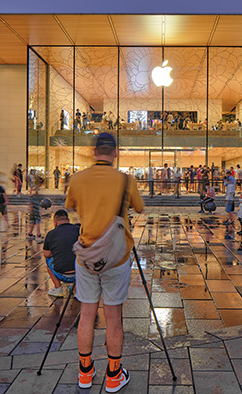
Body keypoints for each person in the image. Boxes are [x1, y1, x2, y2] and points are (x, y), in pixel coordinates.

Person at [66, 132, 144, 392]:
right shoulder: (125, 180)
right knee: (113, 316)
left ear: (93, 151)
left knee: (86, 313)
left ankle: (85, 373)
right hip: (117, 257)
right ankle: (113, 375)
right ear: (116, 152)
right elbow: (140, 208)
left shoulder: (77, 179)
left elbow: (72, 206)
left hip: (87, 255)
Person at [43, 209, 79, 297]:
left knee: (48, 260)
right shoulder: (78, 230)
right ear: (68, 220)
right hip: (80, 273)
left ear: (55, 222)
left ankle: (58, 288)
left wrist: (56, 251)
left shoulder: (51, 234)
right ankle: (77, 288)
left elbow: (46, 254)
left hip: (61, 274)